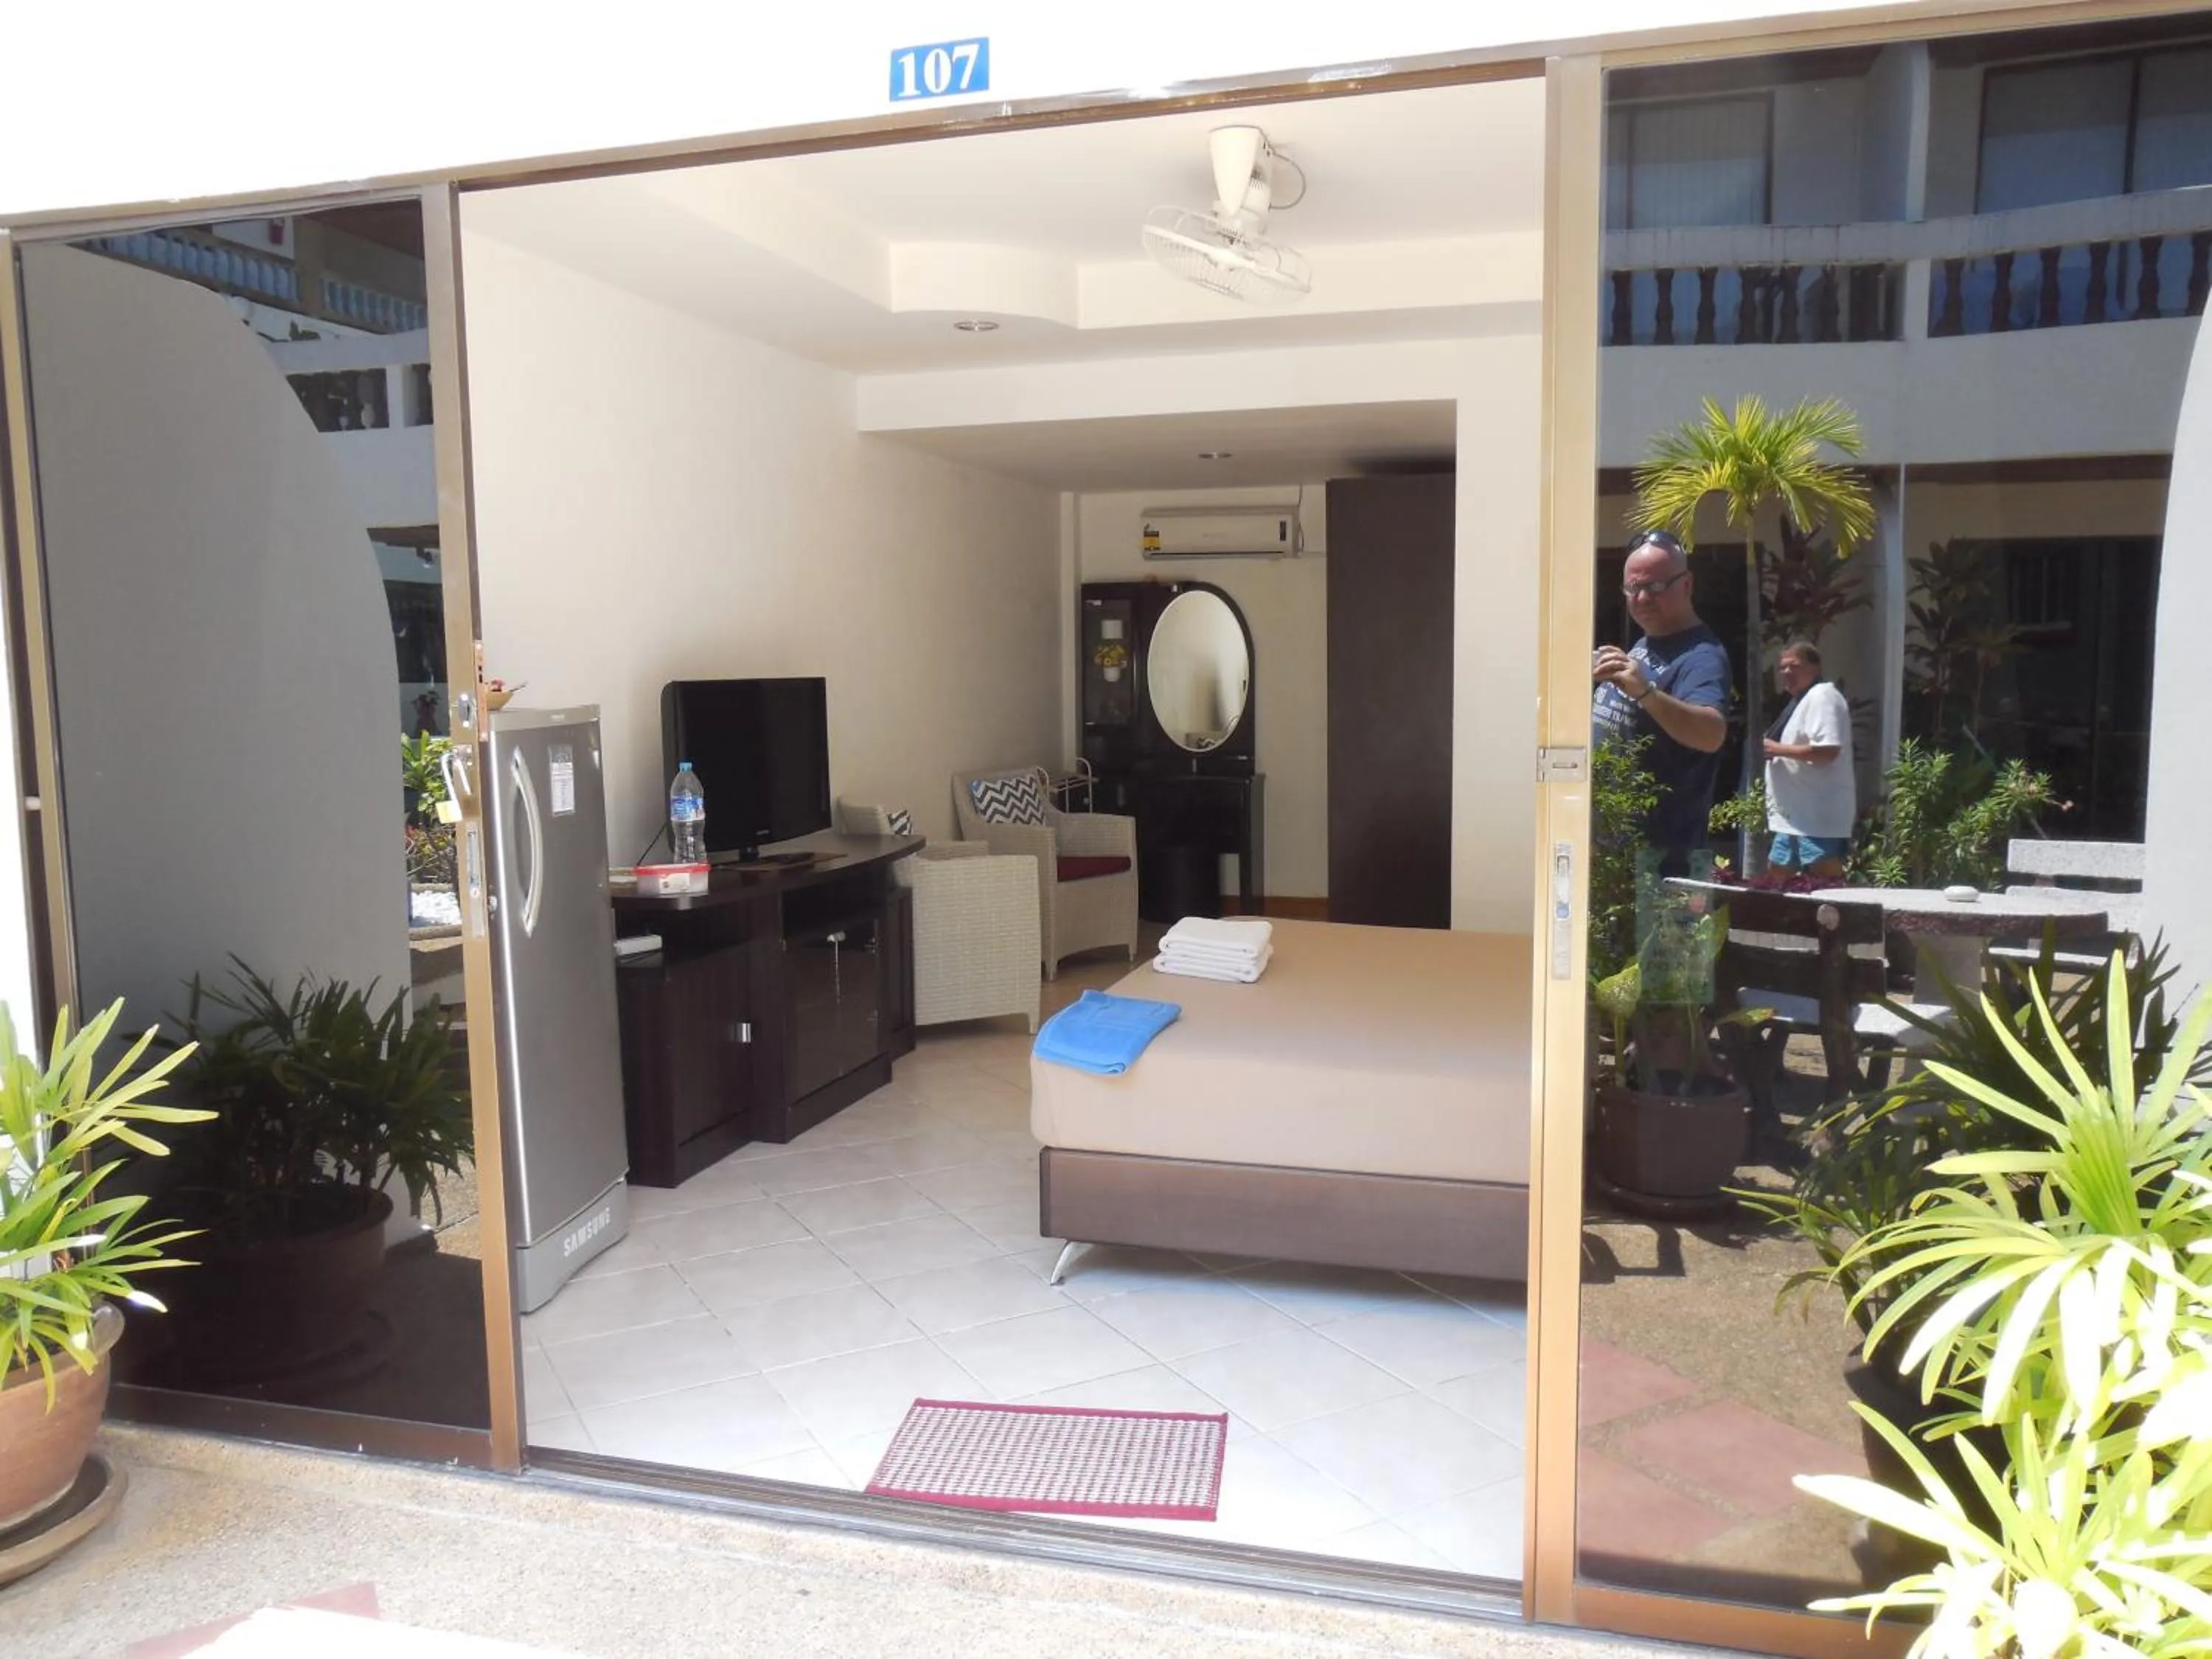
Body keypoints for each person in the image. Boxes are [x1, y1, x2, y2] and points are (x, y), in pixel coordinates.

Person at [1592, 528, 1732, 876]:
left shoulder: (1702, 656)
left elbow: (1711, 733)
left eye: (1655, 587)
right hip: (1615, 855)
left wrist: (1646, 693)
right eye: (1633, 588)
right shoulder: (1647, 642)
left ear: (1686, 585)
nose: (1642, 599)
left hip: (1661, 866)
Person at [1762, 639, 1854, 877]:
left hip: (1817, 815)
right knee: (1778, 874)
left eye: (1794, 666)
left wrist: (1777, 749)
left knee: (1825, 880)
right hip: (1795, 815)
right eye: (1782, 668)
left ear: (1815, 668)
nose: (1786, 672)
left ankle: (1844, 916)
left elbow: (1828, 750)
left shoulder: (1823, 696)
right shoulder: (1800, 701)